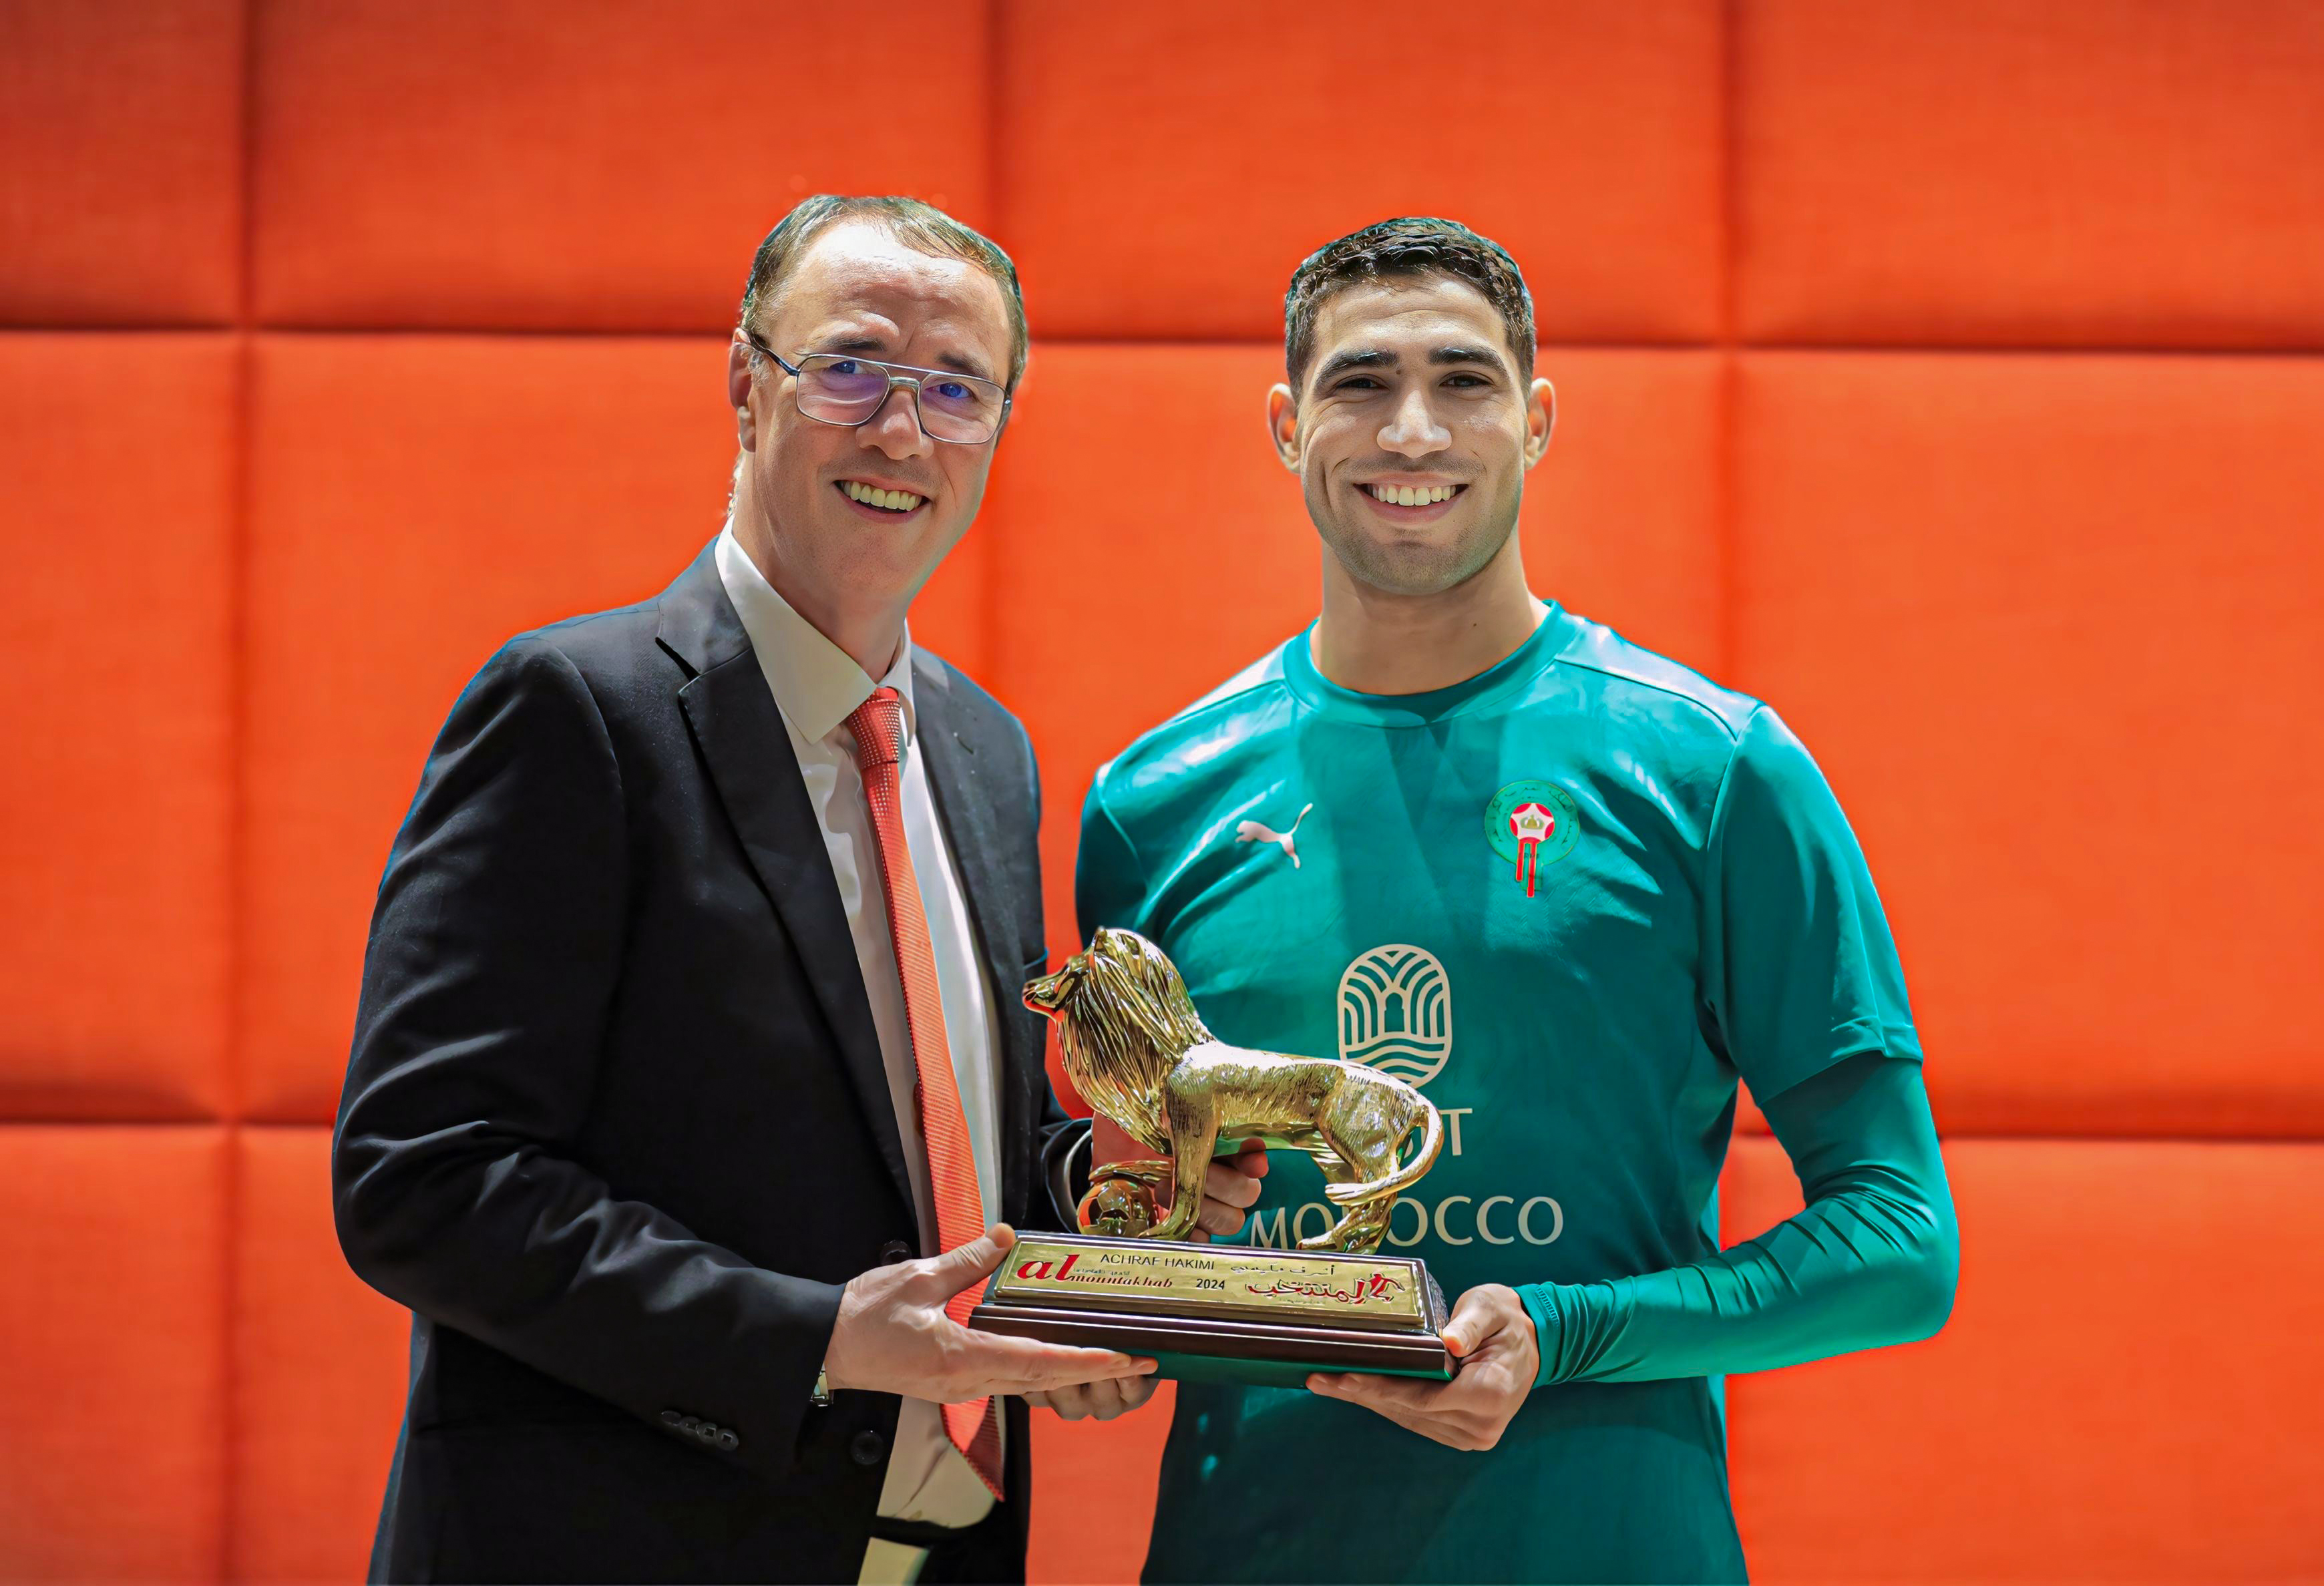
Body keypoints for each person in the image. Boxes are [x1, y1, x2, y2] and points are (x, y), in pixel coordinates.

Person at [331, 194, 1257, 1586]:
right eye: (852, 369)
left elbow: (926, 1149)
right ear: (746, 384)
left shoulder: (984, 750)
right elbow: (423, 1177)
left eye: (957, 389)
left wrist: (1094, 1219)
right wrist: (815, 1339)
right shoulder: (577, 712)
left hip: (946, 1556)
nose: (903, 433)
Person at [1072, 217, 1960, 1583]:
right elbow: (1153, 1219)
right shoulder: (1150, 803)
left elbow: (1899, 1243)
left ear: (1536, 421)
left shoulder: (1715, 769)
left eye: (1464, 381)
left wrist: (1567, 1331)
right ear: (1286, 425)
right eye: (1361, 383)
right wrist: (1107, 1308)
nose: (1413, 431)